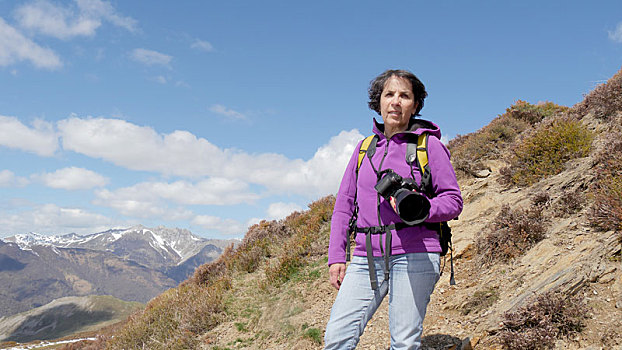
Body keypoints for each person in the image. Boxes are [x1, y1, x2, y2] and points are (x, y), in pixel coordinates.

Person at [324, 69, 463, 350]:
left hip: (416, 253)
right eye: (389, 95)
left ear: (415, 105)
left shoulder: (429, 146)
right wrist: (337, 256)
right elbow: (343, 206)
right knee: (336, 339)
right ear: (378, 102)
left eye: (404, 96)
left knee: (403, 342)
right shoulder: (364, 149)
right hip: (366, 258)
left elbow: (453, 200)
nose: (396, 102)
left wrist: (423, 208)